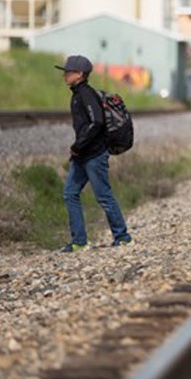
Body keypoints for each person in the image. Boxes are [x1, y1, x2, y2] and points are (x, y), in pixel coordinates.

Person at [56, 55, 132, 252]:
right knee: (70, 193)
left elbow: (96, 122)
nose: (65, 75)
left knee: (103, 196)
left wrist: (78, 144)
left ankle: (123, 237)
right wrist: (78, 148)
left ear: (80, 74)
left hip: (94, 155)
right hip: (82, 154)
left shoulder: (85, 94)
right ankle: (79, 242)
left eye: (68, 72)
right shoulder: (77, 94)